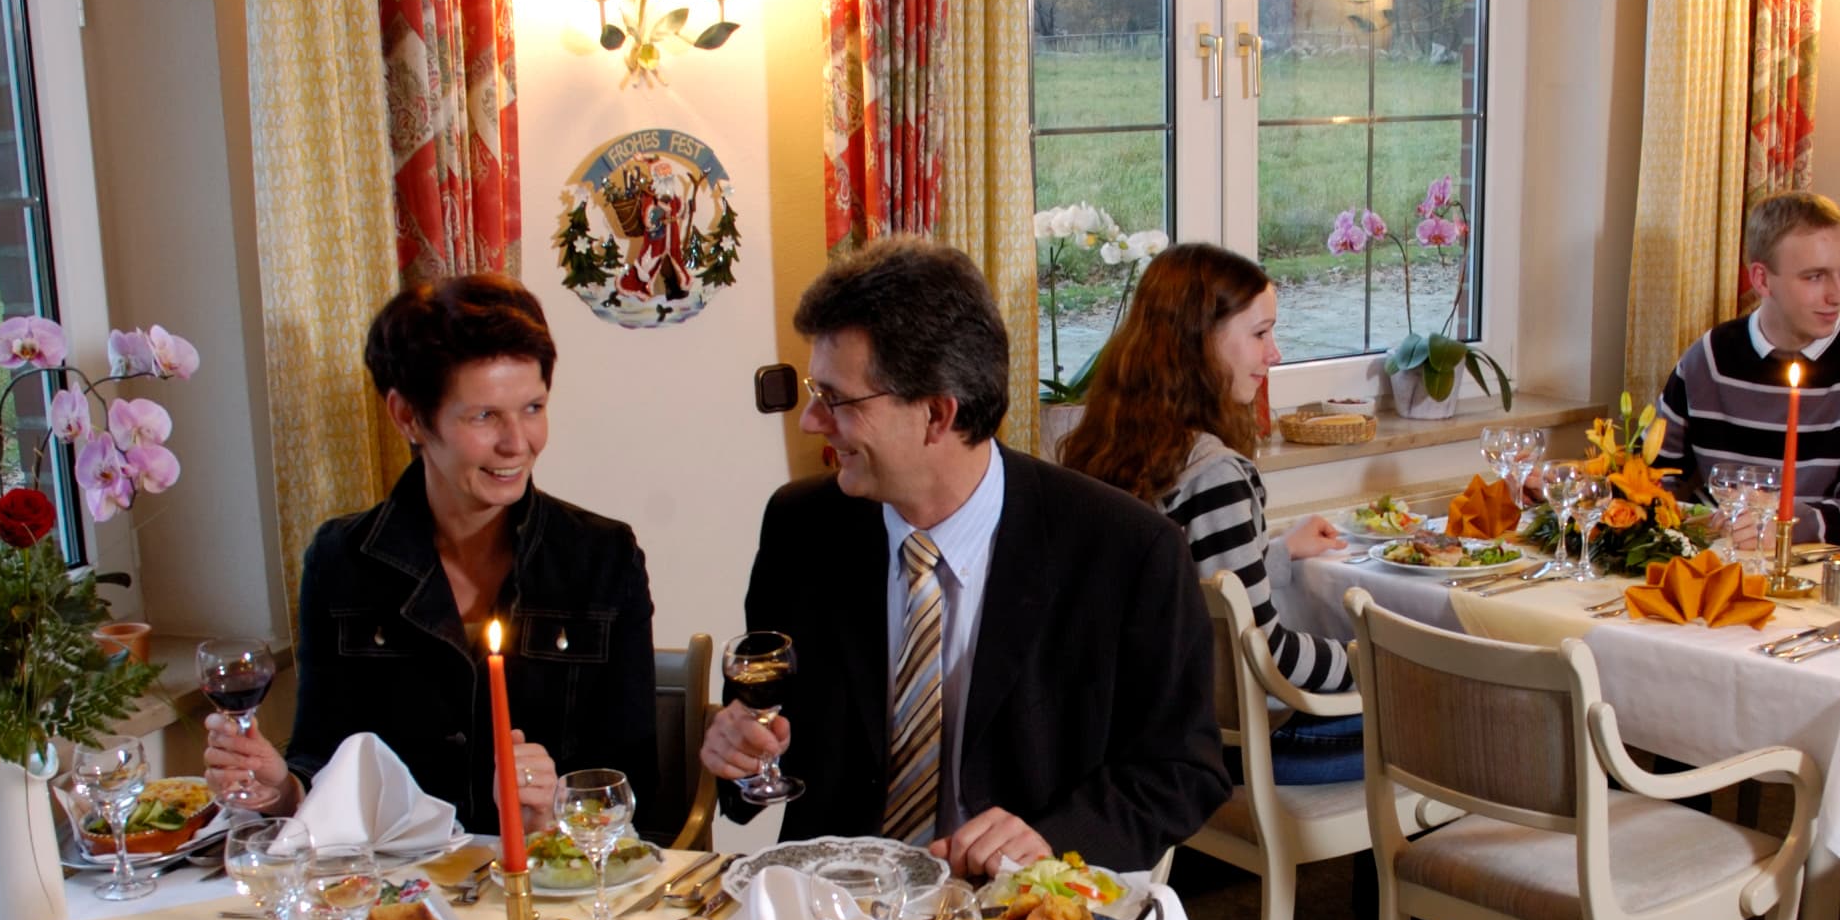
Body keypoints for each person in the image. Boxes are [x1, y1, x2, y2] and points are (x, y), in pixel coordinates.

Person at [700, 234, 1229, 879]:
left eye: (836, 399)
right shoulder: (801, 527)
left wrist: (1049, 842)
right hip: (835, 916)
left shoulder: (1126, 552)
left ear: (936, 414)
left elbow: (1182, 770)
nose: (812, 420)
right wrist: (739, 749)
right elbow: (764, 724)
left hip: (1017, 917)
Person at [204, 275, 660, 838]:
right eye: (484, 416)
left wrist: (555, 815)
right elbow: (322, 764)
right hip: (396, 894)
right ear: (409, 417)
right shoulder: (341, 559)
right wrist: (279, 791)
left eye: (533, 407)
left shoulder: (603, 557)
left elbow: (634, 788)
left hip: (551, 893)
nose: (518, 443)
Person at [1056, 242, 1356, 769]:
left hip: (1134, 737)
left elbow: (1194, 588)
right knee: (1434, 720)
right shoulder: (1213, 474)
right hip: (1229, 751)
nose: (1276, 353)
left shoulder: (1104, 447)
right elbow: (1269, 657)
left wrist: (1280, 552)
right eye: (1260, 334)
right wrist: (1380, 662)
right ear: (1200, 340)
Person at [1650, 192, 1840, 541]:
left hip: (1818, 573)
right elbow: (1649, 478)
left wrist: (1789, 525)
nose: (1838, 294)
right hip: (1716, 556)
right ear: (1761, 280)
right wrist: (1695, 521)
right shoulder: (1709, 357)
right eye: (1815, 277)